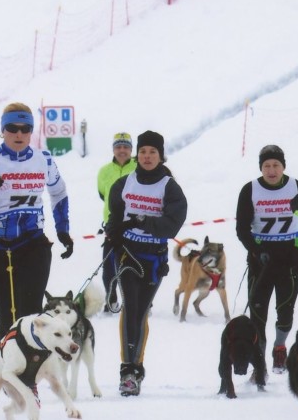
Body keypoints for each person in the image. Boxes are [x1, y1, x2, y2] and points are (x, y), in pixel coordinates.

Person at [0, 102, 73, 340]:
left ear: (32, 131)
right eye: (12, 128)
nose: (19, 134)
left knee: (30, 318)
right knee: (8, 321)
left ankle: (30, 375)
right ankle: (8, 371)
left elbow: (59, 192)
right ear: (2, 130)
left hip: (32, 245)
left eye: (25, 128)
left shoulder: (44, 159)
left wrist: (63, 230)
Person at [105, 130, 187, 397]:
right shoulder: (124, 183)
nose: (147, 156)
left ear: (160, 155)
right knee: (131, 306)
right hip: (128, 253)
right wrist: (114, 234)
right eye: (143, 152)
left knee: (141, 311)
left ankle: (135, 367)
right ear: (136, 155)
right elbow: (115, 218)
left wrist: (143, 221)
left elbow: (171, 225)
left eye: (152, 152)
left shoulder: (169, 187)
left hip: (153, 257)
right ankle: (128, 371)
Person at [235, 145, 298, 375]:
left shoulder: (297, 187)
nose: (271, 170)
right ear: (261, 168)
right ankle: (259, 363)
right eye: (266, 166)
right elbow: (242, 228)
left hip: (289, 259)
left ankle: (280, 346)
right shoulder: (250, 190)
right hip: (261, 262)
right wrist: (256, 250)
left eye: (276, 165)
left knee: (285, 312)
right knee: (258, 316)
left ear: (283, 166)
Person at [96, 132, 137, 311]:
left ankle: (141, 302)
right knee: (109, 268)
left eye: (126, 147)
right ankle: (111, 300)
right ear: (113, 149)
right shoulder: (104, 171)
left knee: (135, 266)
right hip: (112, 227)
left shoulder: (139, 167)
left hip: (135, 226)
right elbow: (103, 195)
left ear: (131, 149)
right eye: (118, 147)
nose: (122, 150)